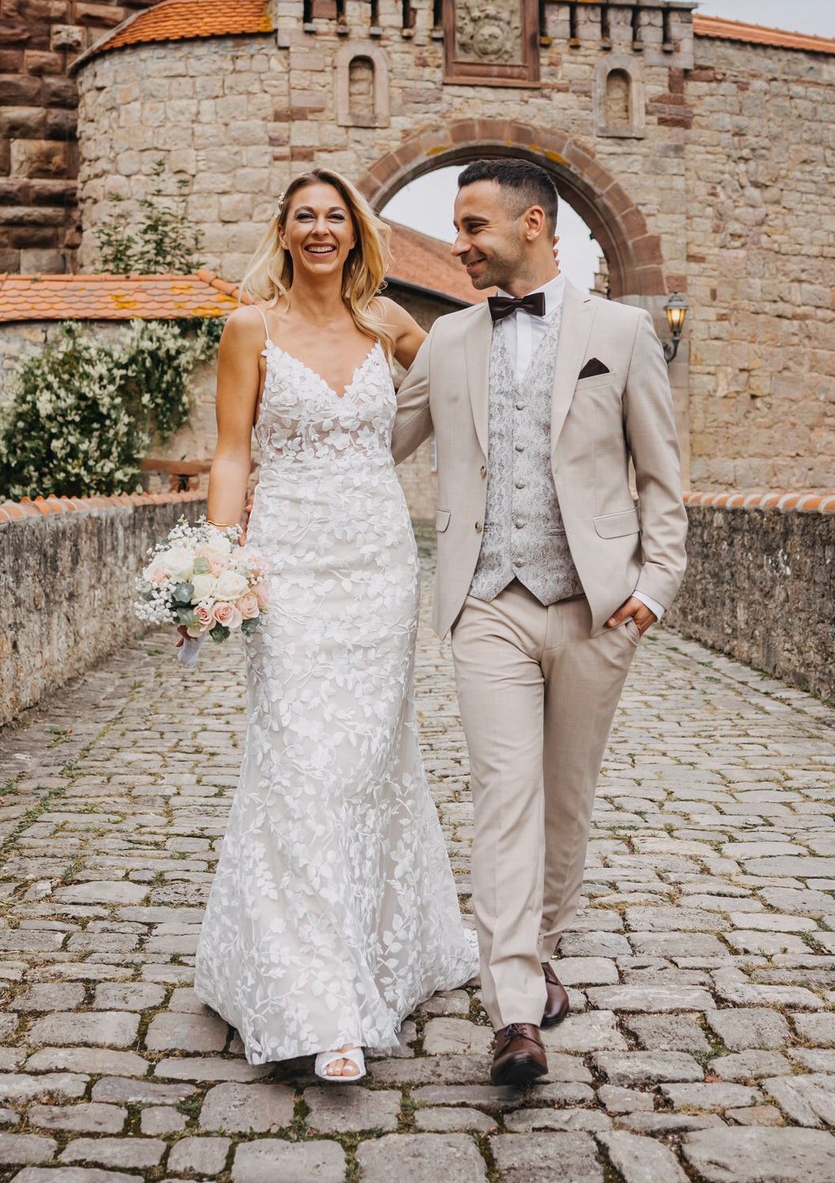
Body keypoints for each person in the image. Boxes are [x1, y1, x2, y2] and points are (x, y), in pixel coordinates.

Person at [392, 158, 687, 1086]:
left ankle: (539, 947)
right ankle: (514, 1010)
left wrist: (654, 589)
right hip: (488, 603)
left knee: (565, 802)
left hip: (597, 608)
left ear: (532, 225)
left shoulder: (622, 332)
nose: (459, 245)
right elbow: (378, 445)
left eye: (473, 226)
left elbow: (661, 477)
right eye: (455, 227)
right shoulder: (448, 340)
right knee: (503, 798)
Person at [194, 168, 478, 1083]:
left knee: (366, 762)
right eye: (304, 217)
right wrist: (216, 560)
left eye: (335, 217)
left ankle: (384, 947)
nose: (321, 229)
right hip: (290, 566)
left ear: (357, 232)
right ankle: (316, 1002)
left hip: (379, 566)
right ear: (283, 232)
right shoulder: (250, 328)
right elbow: (231, 454)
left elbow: (465, 389)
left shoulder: (388, 323)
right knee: (301, 764)